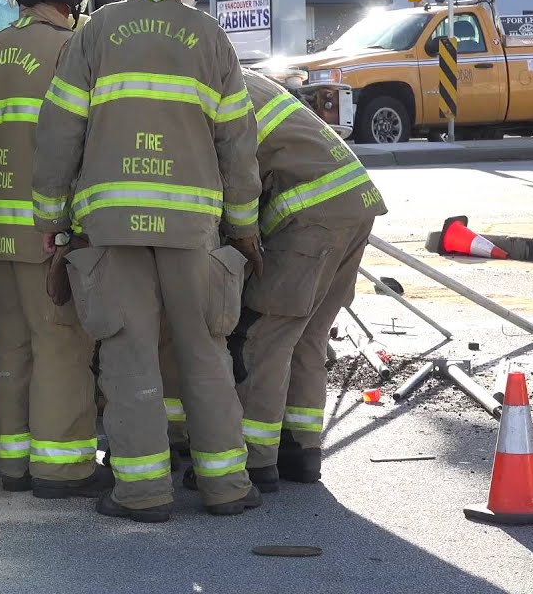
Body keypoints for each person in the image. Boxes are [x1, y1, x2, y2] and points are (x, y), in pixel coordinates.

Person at [32, 0, 264, 522]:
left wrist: (53, 220)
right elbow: (238, 147)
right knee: (205, 351)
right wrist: (243, 228)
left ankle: (141, 493)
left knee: (128, 352)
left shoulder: (96, 32)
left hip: (110, 229)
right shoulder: (213, 40)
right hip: (193, 233)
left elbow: (58, 134)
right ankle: (227, 486)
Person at [165, 68, 388, 490]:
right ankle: (300, 450)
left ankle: (252, 459)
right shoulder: (235, 73)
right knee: (304, 336)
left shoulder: (200, 88)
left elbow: (232, 182)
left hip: (311, 213)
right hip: (354, 203)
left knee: (261, 337)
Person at [0, 0, 112, 499]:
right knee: (62, 349)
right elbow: (88, 144)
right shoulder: (74, 51)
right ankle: (62, 469)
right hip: (50, 234)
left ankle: (14, 465)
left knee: (13, 349)